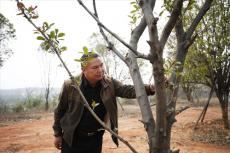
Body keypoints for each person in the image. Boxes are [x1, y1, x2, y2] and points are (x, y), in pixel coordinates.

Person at [53, 53, 157, 153]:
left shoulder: (109, 83)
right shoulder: (71, 85)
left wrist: (151, 88)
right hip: (72, 138)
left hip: (95, 139)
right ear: (83, 70)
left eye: (101, 66)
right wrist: (57, 134)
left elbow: (127, 90)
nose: (101, 70)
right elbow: (59, 111)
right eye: (95, 68)